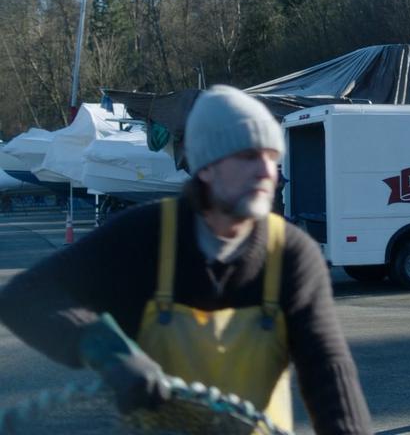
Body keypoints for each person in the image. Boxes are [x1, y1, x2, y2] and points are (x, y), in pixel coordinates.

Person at [0, 85, 372, 434]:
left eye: (272, 157)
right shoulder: (144, 236)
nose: (266, 171)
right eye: (247, 155)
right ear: (205, 165)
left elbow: (329, 373)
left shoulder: (292, 255)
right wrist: (107, 351)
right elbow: (26, 296)